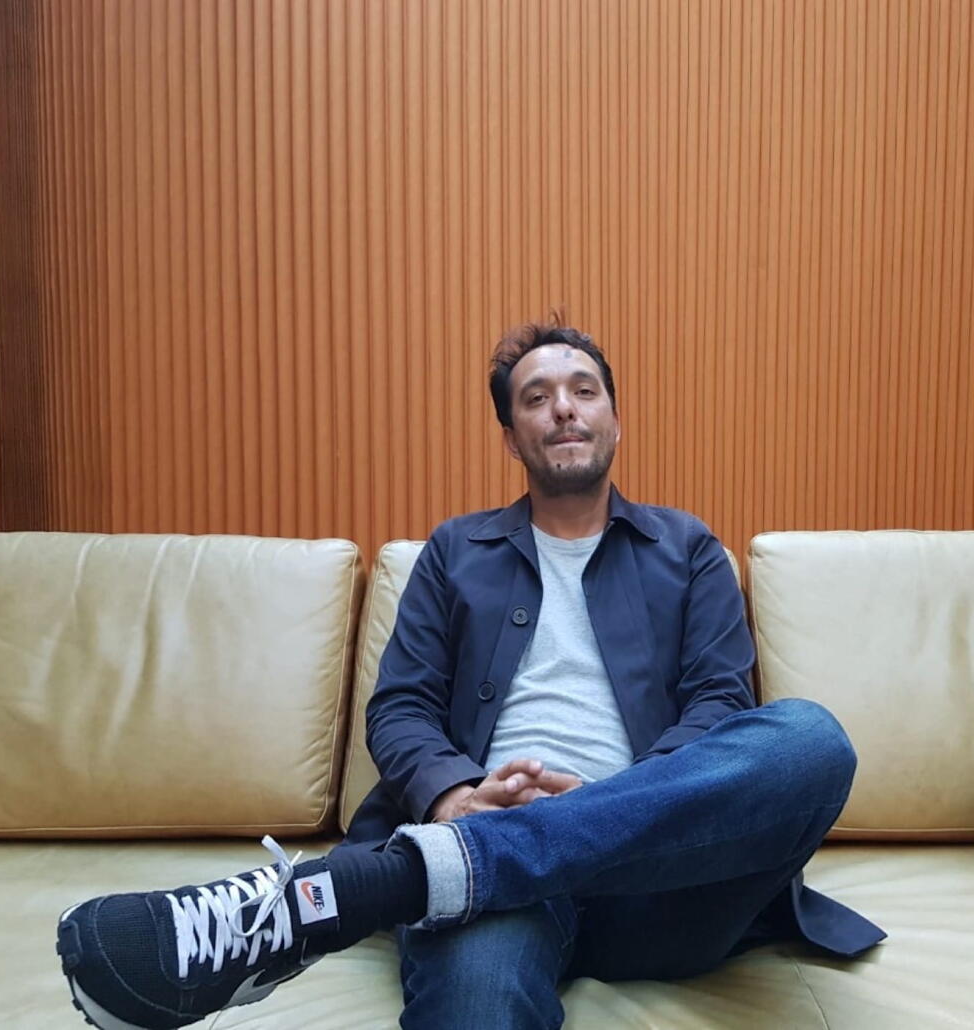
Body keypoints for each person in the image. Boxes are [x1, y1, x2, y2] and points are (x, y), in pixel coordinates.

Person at [55, 315, 885, 1030]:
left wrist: (604, 810)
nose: (564, 407)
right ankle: (459, 859)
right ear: (512, 437)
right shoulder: (456, 551)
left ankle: (398, 878)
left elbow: (719, 702)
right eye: (536, 397)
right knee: (475, 999)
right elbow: (401, 706)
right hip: (494, 890)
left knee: (810, 741)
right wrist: (455, 798)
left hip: (660, 880)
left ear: (616, 419)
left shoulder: (689, 547)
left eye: (584, 390)